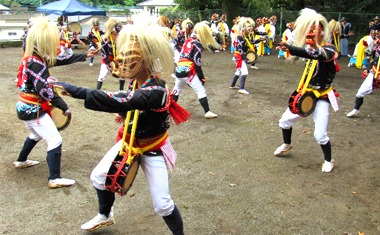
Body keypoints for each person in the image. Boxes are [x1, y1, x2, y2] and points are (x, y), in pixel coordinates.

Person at [54, 14, 188, 234]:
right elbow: (133, 103)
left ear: (144, 61)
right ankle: (105, 215)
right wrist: (126, 116)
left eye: (129, 60)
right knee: (98, 177)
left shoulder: (156, 90)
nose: (123, 64)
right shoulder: (139, 82)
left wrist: (75, 90)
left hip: (152, 148)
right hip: (130, 140)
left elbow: (122, 99)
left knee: (163, 205)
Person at [14, 16, 96, 188]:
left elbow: (56, 61)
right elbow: (45, 90)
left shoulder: (32, 57)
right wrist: (63, 106)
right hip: (33, 110)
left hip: (26, 107)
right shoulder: (36, 63)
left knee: (36, 134)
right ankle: (54, 178)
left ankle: (21, 161)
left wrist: (83, 56)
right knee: (55, 140)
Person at [274, 8, 340, 173]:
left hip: (322, 97)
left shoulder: (329, 50)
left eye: (313, 32)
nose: (310, 35)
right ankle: (287, 144)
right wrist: (287, 48)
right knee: (284, 121)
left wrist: (291, 47)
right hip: (306, 94)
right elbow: (307, 53)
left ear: (322, 33)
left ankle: (328, 160)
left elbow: (316, 54)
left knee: (320, 134)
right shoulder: (312, 50)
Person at [172, 21, 221, 119]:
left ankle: (168, 111)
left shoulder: (187, 41)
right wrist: (201, 77)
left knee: (176, 90)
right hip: (189, 71)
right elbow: (196, 62)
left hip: (179, 69)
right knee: (200, 91)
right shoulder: (197, 44)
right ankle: (207, 112)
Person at [346, 24, 380, 117]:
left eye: (377, 34)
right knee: (360, 93)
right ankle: (356, 109)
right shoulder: (377, 46)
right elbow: (375, 59)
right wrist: (368, 69)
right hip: (375, 72)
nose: (376, 37)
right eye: (374, 34)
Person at [230, 17, 264, 95]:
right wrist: (245, 57)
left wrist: (259, 40)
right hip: (239, 56)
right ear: (243, 28)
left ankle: (232, 85)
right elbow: (239, 49)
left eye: (251, 26)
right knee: (244, 72)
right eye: (248, 26)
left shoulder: (244, 37)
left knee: (239, 71)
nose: (251, 28)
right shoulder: (240, 37)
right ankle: (241, 88)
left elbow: (251, 42)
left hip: (238, 56)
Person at [96, 17, 125, 91]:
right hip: (107, 59)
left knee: (122, 75)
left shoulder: (121, 38)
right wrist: (109, 62)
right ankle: (96, 91)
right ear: (112, 29)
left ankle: (121, 90)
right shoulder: (106, 39)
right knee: (102, 76)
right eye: (117, 29)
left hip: (118, 59)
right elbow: (103, 52)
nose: (118, 30)